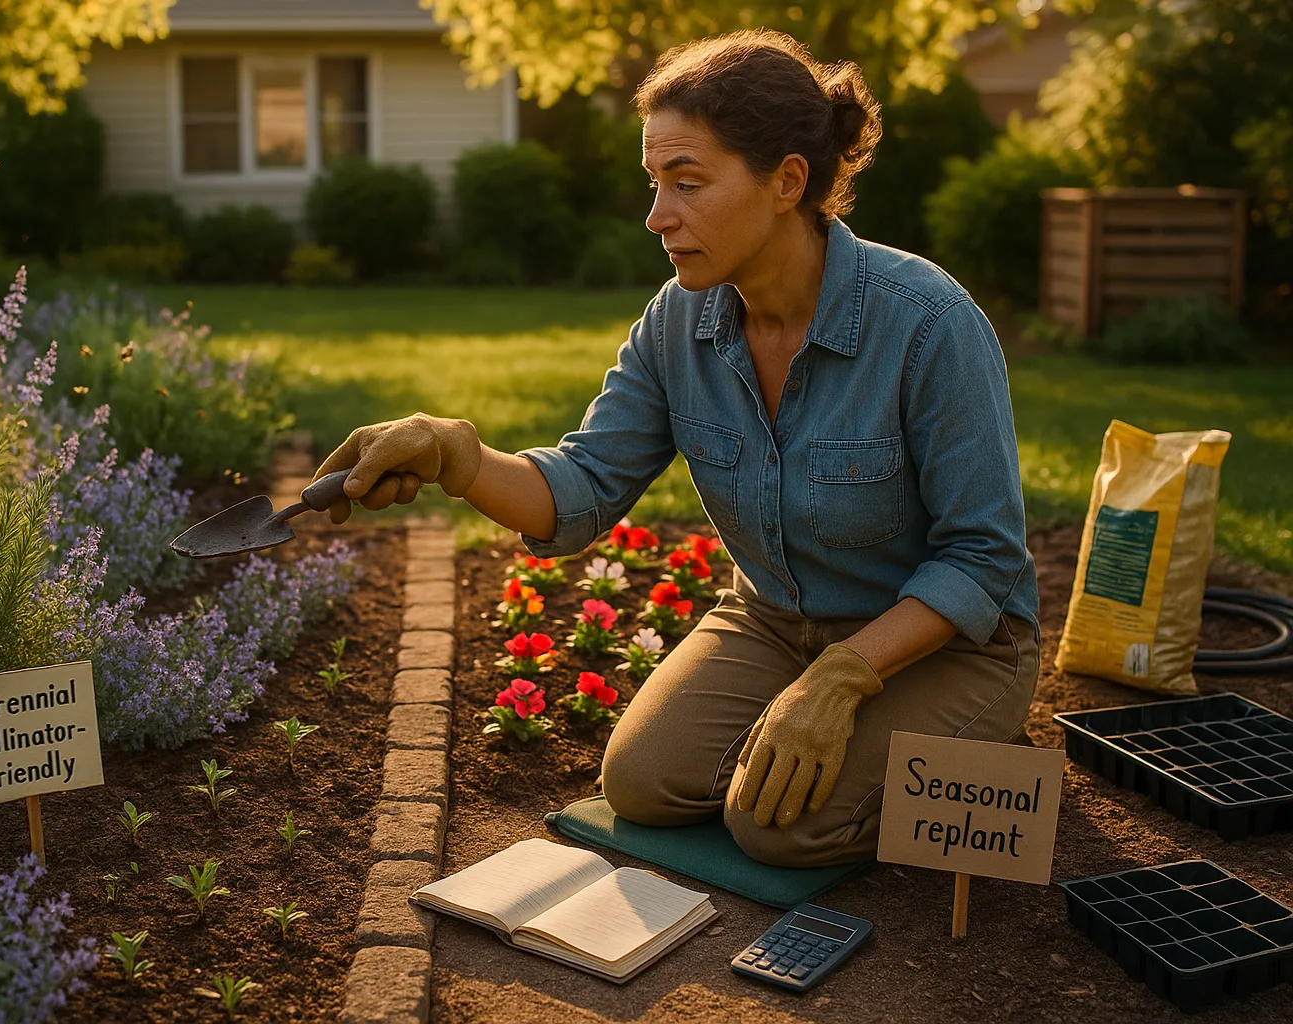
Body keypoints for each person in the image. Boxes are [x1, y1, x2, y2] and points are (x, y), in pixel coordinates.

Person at [310, 29, 1041, 868]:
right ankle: (831, 751)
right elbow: (582, 484)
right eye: (655, 183)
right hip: (775, 619)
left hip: (946, 642)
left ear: (787, 183)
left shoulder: (928, 325)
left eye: (687, 183)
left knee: (780, 828)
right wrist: (454, 454)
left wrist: (841, 678)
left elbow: (983, 559)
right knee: (644, 785)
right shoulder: (680, 320)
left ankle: (970, 746)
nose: (658, 216)